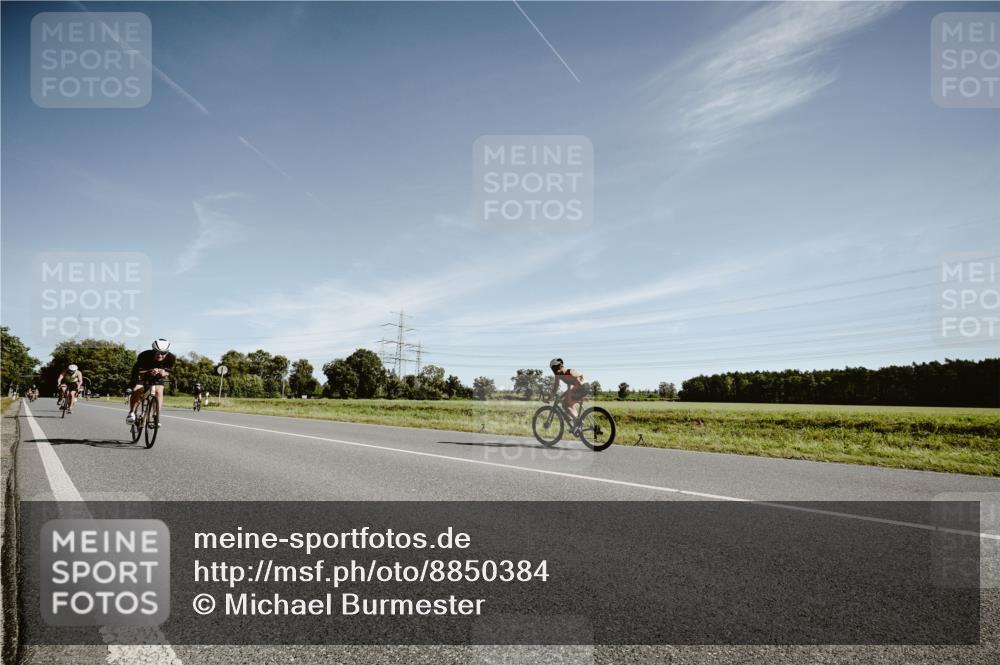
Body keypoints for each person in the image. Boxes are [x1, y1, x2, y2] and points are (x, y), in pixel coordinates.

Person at [126, 339, 176, 425]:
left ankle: (156, 416)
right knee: (139, 388)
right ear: (153, 350)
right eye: (157, 352)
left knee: (159, 390)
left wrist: (164, 373)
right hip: (142, 372)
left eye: (163, 353)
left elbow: (169, 371)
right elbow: (140, 373)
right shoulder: (144, 356)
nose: (160, 355)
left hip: (157, 376)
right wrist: (149, 371)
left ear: (167, 352)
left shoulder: (171, 358)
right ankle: (132, 412)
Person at [548, 358, 590, 429]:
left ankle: (577, 421)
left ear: (557, 366)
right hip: (586, 385)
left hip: (580, 386)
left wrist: (549, 398)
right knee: (569, 403)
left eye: (553, 367)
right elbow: (569, 388)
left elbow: (556, 387)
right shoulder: (567, 371)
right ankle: (576, 421)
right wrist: (562, 396)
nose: (553, 370)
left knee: (565, 405)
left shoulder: (558, 372)